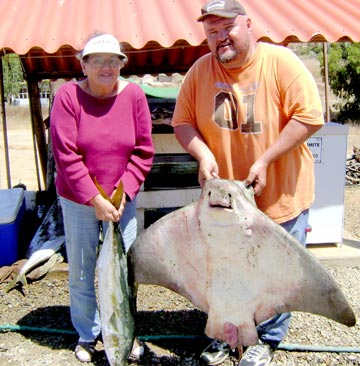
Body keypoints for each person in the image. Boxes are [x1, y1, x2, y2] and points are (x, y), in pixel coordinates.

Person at [172, 1, 324, 365]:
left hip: (279, 196)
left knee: (272, 270)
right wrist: (203, 155)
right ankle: (228, 334)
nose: (220, 38)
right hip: (226, 206)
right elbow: (182, 122)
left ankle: (266, 338)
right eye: (212, 32)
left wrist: (266, 158)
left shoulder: (280, 62)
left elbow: (311, 116)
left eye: (228, 28)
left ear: (249, 24)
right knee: (227, 269)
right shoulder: (199, 71)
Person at [50, 33, 154, 363]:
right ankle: (87, 333)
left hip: (122, 199)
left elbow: (143, 151)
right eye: (97, 60)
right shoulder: (67, 96)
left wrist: (126, 190)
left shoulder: (134, 95)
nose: (106, 67)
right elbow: (65, 155)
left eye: (113, 60)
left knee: (124, 275)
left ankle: (126, 331)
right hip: (79, 199)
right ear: (84, 65)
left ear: (122, 64)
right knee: (82, 269)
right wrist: (95, 198)